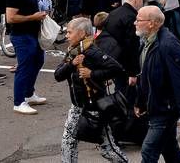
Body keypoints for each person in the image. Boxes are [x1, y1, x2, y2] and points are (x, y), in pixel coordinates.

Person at [55, 17, 128, 163]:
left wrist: (92, 74)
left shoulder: (92, 52)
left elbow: (117, 69)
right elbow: (58, 75)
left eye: (70, 32)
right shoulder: (73, 51)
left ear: (82, 33)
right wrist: (71, 64)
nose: (67, 36)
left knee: (108, 148)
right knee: (68, 141)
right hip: (77, 106)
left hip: (93, 107)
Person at [134, 5, 180, 162]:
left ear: (152, 23)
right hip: (155, 106)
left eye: (138, 20)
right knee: (169, 148)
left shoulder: (168, 45)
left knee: (148, 150)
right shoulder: (146, 41)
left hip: (165, 109)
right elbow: (144, 77)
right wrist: (140, 102)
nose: (135, 22)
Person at [7, 0, 49, 115]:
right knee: (24, 67)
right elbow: (11, 18)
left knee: (38, 61)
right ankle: (19, 102)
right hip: (21, 36)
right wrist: (33, 17)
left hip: (32, 34)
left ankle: (29, 94)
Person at [95, 0, 143, 94]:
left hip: (113, 60)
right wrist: (133, 73)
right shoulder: (132, 17)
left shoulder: (112, 14)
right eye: (141, 0)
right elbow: (132, 47)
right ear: (136, 0)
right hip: (125, 64)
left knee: (119, 92)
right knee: (127, 95)